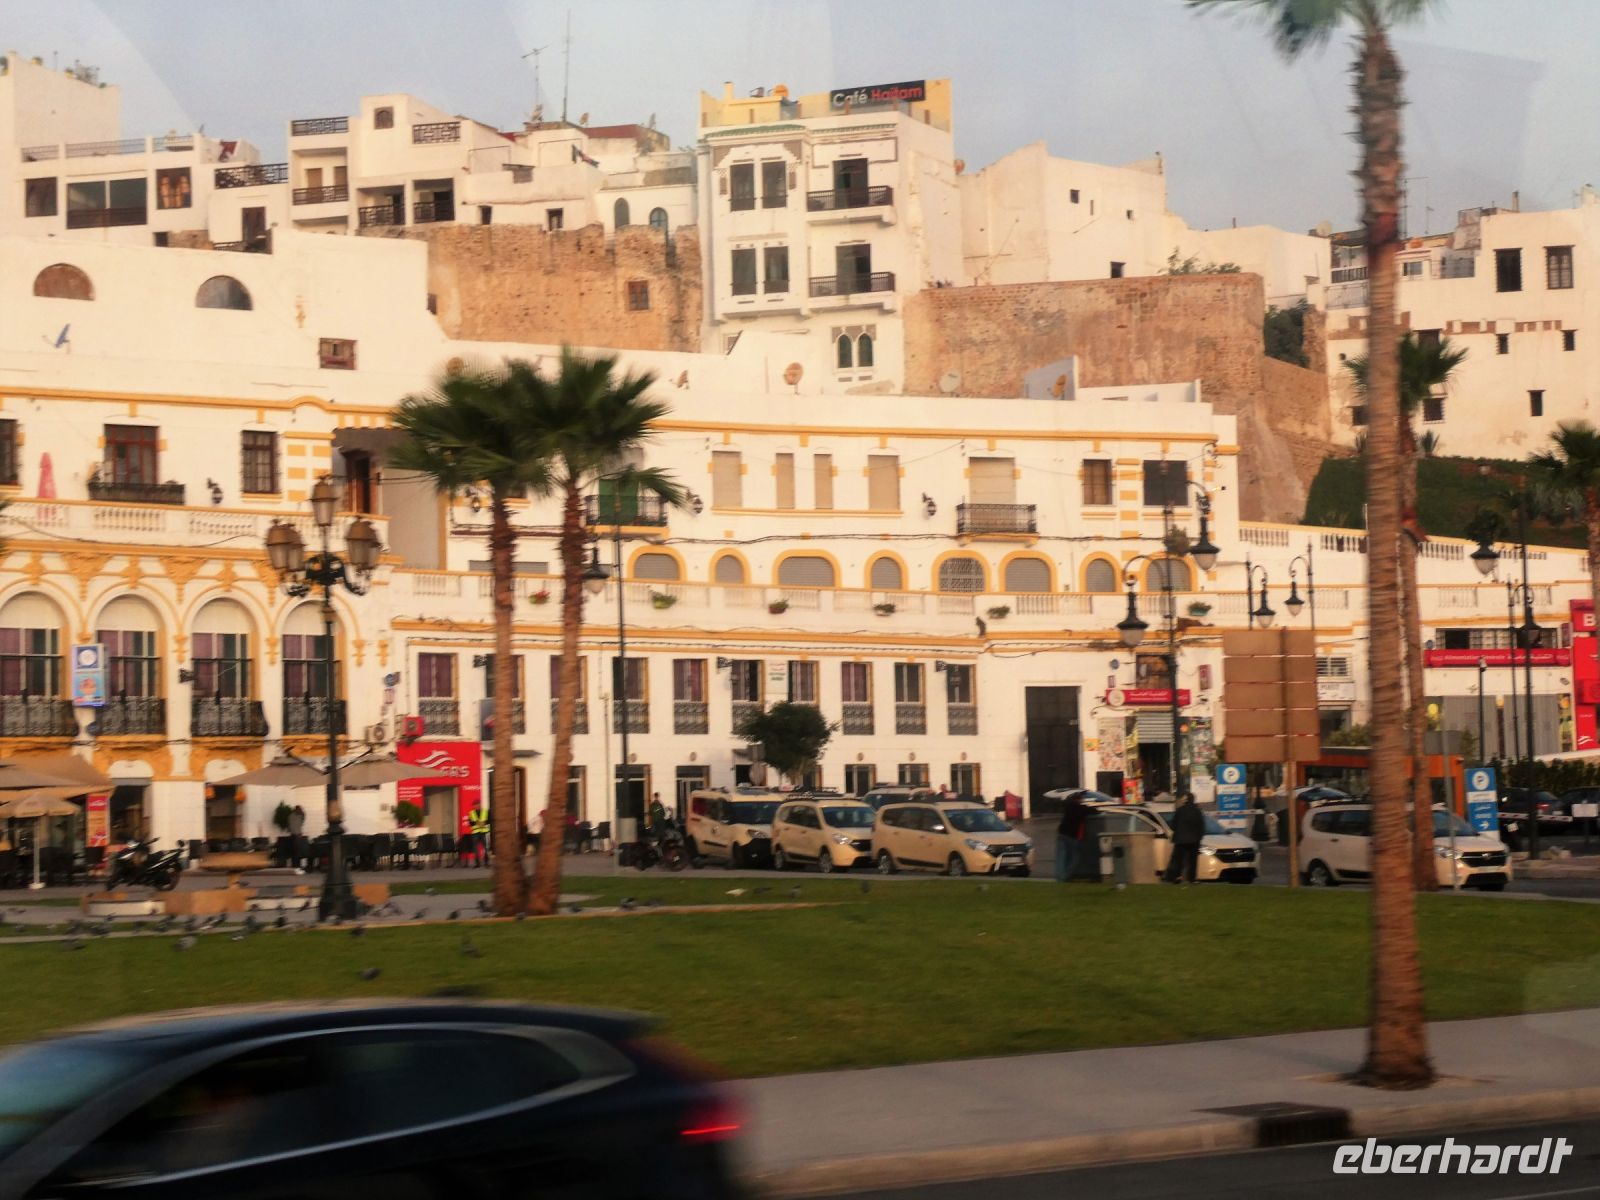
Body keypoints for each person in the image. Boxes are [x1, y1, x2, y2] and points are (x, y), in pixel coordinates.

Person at [1165, 792, 1205, 884]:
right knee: (1193, 860)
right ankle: (1192, 878)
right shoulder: (1197, 811)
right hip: (1194, 840)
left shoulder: (1180, 810)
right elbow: (1201, 825)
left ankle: (1177, 876)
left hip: (1180, 839)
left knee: (1178, 860)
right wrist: (1199, 837)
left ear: (1186, 800)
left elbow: (1173, 825)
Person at [1056, 791, 1089, 883]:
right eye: (1082, 798)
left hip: (1062, 833)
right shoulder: (1081, 808)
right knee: (1075, 858)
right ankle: (1066, 876)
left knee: (1061, 858)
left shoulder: (1068, 807)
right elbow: (1094, 811)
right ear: (1079, 800)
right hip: (1072, 836)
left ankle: (1060, 877)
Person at [465, 801, 490, 867]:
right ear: (474, 806)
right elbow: (470, 823)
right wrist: (477, 823)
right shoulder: (472, 813)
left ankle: (486, 862)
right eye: (475, 805)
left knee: (485, 848)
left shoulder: (485, 812)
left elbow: (489, 820)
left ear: (480, 805)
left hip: (483, 832)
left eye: (478, 805)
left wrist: (485, 822)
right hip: (475, 833)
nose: (477, 806)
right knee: (475, 849)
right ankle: (477, 863)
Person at [287, 805, 306, 870]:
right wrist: (297, 833)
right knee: (296, 851)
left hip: (298, 835)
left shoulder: (299, 815)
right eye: (299, 810)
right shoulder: (292, 816)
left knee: (298, 851)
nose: (300, 811)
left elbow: (302, 822)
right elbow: (292, 826)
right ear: (296, 810)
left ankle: (297, 865)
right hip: (295, 835)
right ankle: (296, 865)